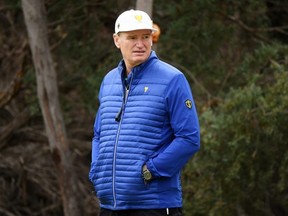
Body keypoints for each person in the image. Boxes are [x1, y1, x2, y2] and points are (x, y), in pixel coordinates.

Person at [89, 9, 200, 216]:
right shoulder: (109, 81)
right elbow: (98, 134)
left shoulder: (173, 79)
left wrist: (150, 171)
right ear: (117, 40)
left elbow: (189, 138)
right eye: (132, 38)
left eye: (146, 37)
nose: (140, 44)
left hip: (153, 204)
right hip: (110, 205)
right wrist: (97, 171)